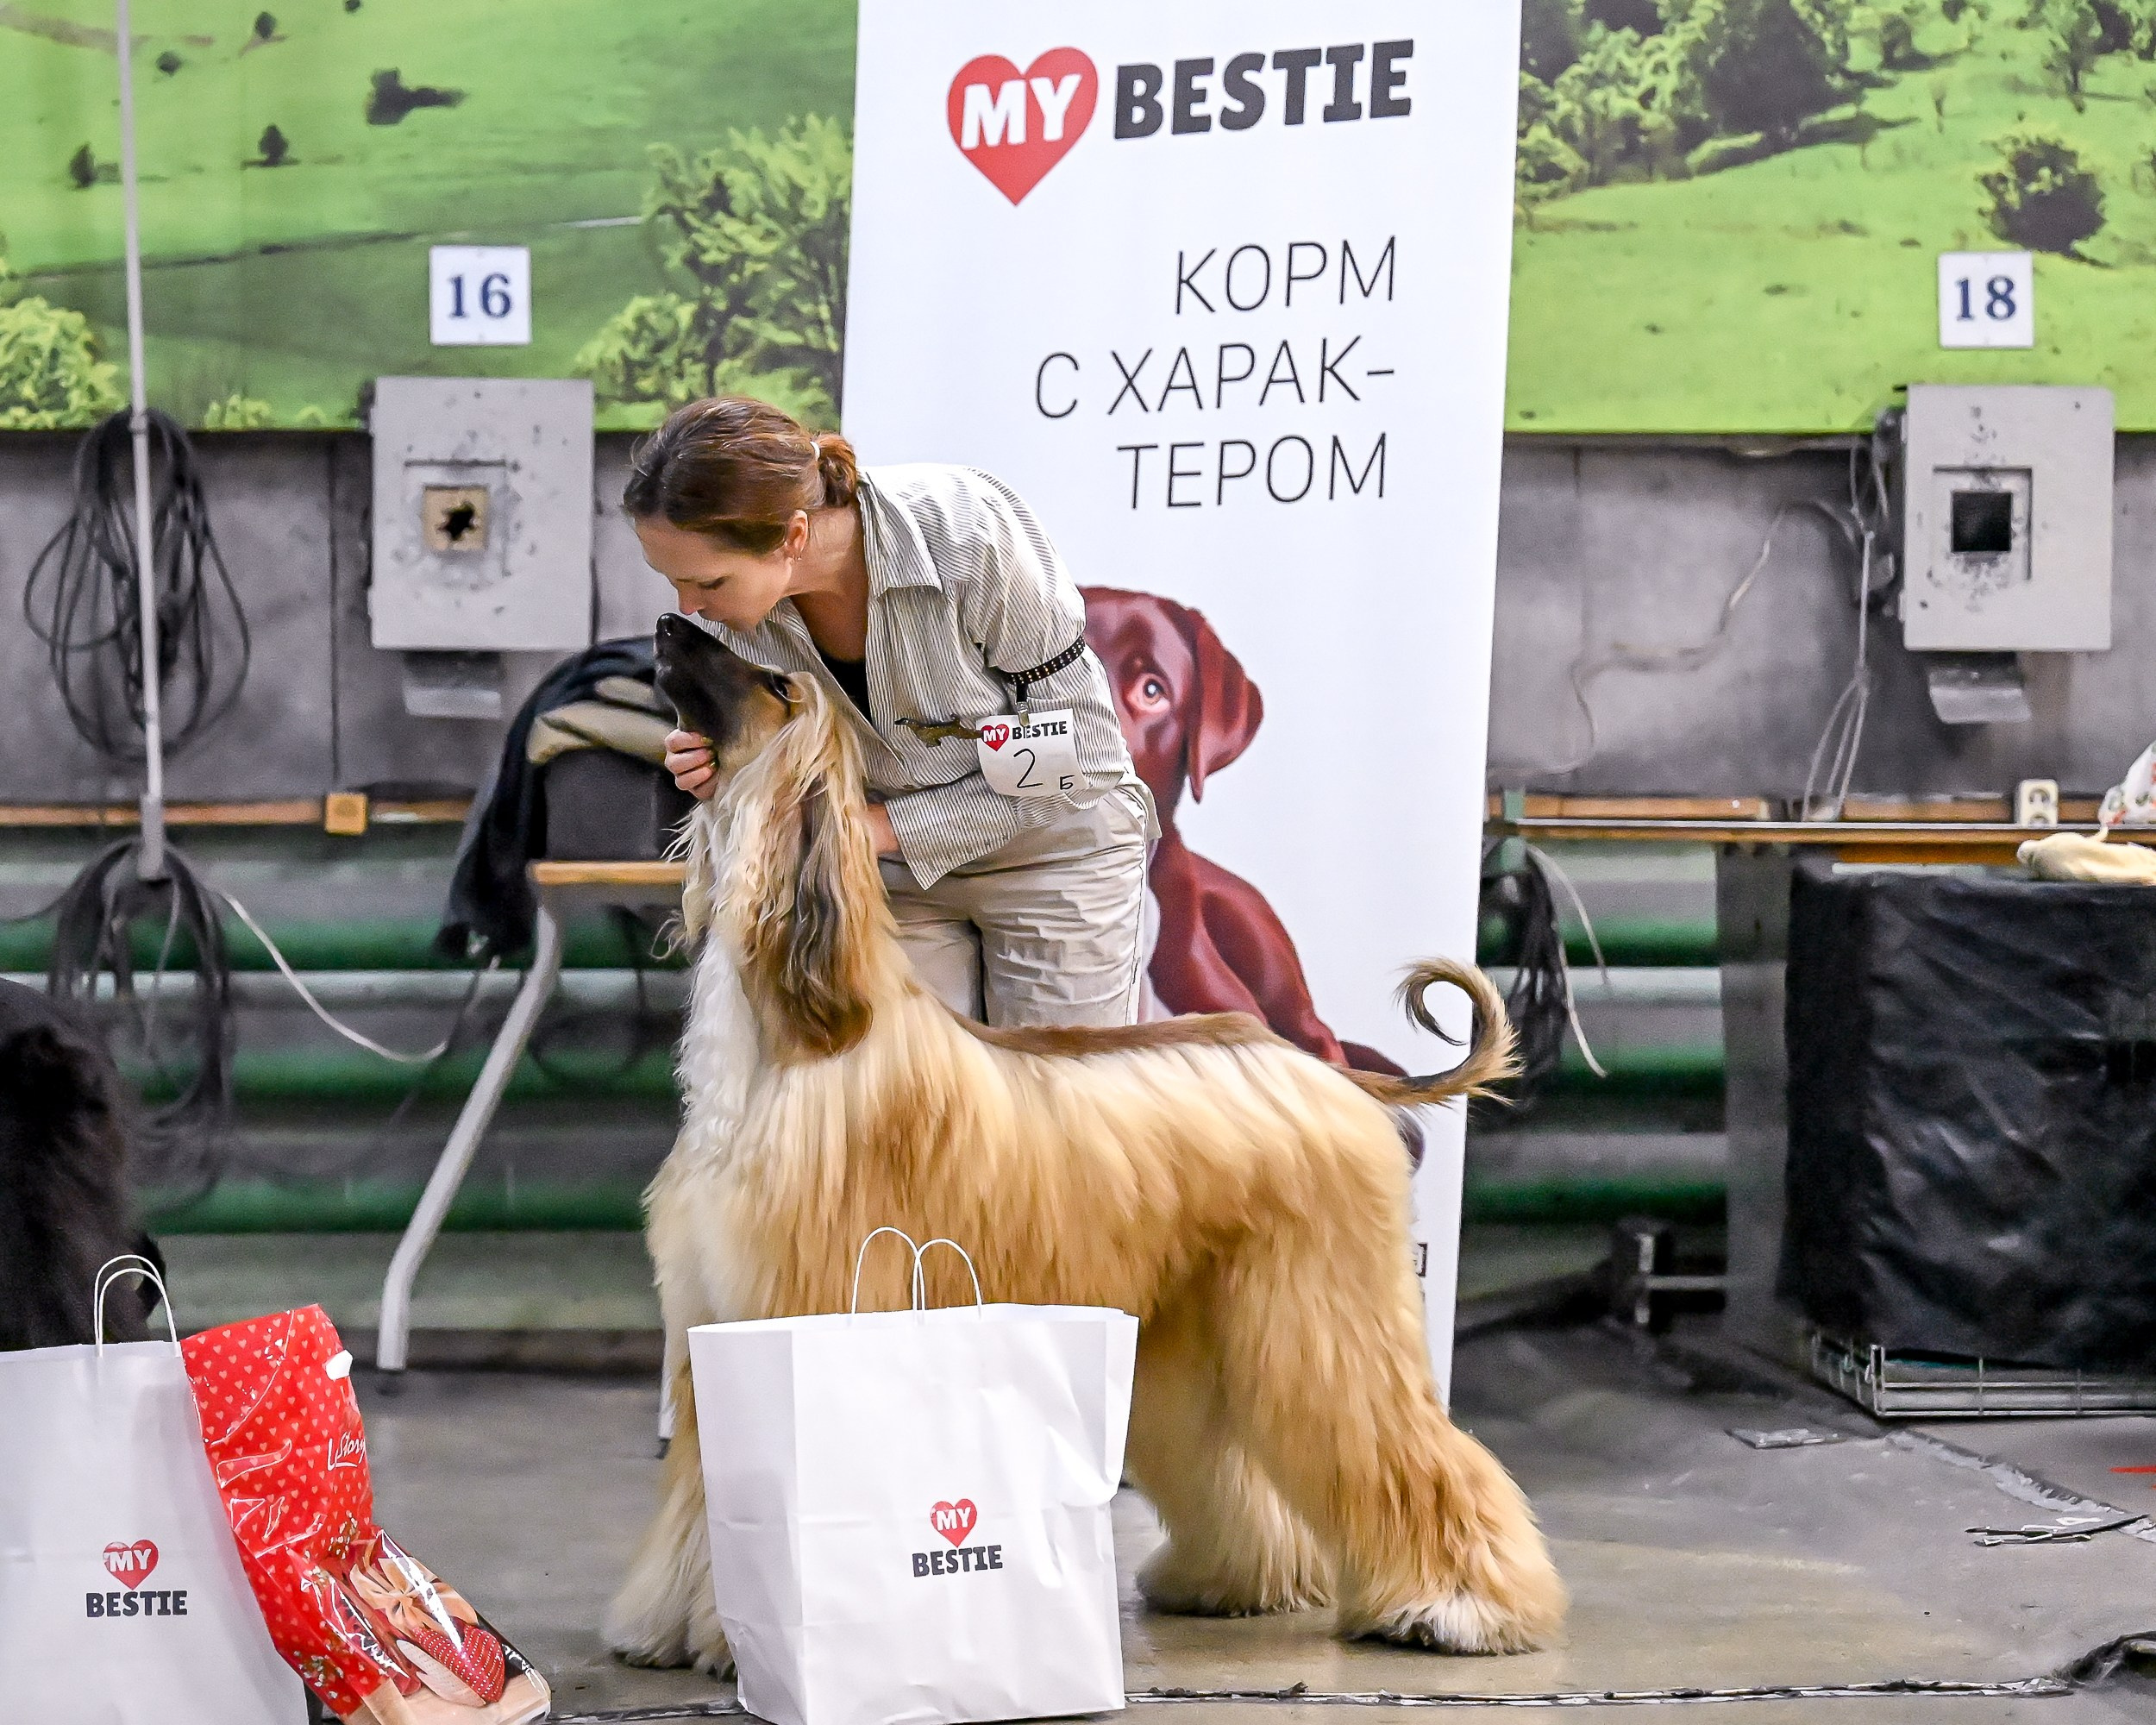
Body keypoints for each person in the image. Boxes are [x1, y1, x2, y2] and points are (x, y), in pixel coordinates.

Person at [625, 396, 1155, 1030]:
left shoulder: (967, 533)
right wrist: (718, 765)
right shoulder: (730, 623)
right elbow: (791, 778)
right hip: (891, 879)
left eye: (709, 583)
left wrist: (886, 826)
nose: (689, 606)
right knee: (909, 1095)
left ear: (793, 536)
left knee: (1056, 1091)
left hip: (1053, 856)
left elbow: (1086, 750)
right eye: (672, 580)